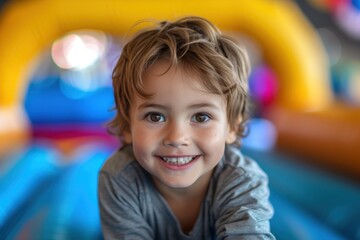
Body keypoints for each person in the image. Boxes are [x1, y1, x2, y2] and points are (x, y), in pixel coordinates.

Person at [98, 16, 275, 239]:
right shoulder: (120, 178)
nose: (177, 137)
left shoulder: (242, 182)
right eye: (155, 116)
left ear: (232, 126)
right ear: (127, 125)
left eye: (201, 117)